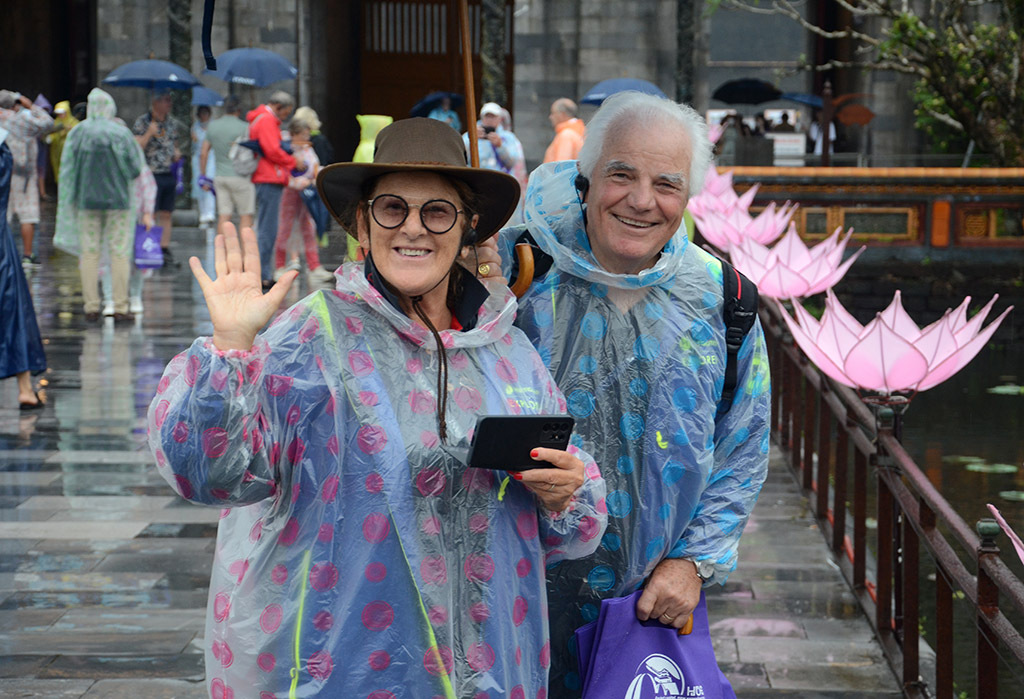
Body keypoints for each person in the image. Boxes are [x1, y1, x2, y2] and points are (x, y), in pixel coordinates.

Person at [148, 117, 606, 697]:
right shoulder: (307, 340)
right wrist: (232, 351)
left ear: (466, 227)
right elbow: (211, 475)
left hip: (492, 668)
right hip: (343, 668)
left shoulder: (507, 349)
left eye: (437, 211)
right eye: (392, 208)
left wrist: (566, 489)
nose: (413, 228)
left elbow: (572, 518)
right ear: (363, 222)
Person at [493, 92, 771, 696]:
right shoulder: (512, 273)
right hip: (512, 593)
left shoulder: (725, 301)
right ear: (587, 179)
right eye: (622, 175)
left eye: (666, 184)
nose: (642, 201)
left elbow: (743, 447)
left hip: (650, 606)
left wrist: (691, 563)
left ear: (688, 197)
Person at [55, 88, 143, 323]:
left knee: (90, 253)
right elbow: (135, 168)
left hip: (86, 201)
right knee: (119, 252)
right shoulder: (120, 133)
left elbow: (67, 170)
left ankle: (91, 305)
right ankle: (121, 306)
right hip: (119, 203)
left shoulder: (78, 133)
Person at [0, 133, 48, 409]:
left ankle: (25, 388)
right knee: (13, 310)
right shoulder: (3, 148)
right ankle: (24, 388)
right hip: (2, 245)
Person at [248, 90, 304, 290]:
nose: (284, 118)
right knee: (267, 230)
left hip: (267, 178)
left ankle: (264, 272)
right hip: (269, 178)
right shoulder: (266, 121)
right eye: (285, 113)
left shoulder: (263, 119)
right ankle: (263, 274)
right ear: (278, 107)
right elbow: (272, 150)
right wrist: (292, 161)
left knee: (267, 228)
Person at [270, 118, 333, 286]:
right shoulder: (286, 149)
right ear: (294, 134)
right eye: (303, 135)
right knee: (285, 228)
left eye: (307, 134)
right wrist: (298, 182)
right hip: (290, 192)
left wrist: (319, 174)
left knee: (308, 228)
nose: (307, 138)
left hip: (306, 194)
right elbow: (283, 171)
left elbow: (314, 166)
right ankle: (279, 265)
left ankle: (314, 266)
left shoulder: (307, 149)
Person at [0, 90, 54, 268]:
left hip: (2, 175)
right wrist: (31, 106)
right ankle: (27, 255)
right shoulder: (20, 119)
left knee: (3, 215)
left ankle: (3, 255)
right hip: (23, 175)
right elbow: (47, 123)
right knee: (27, 216)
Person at [133, 90, 184, 266]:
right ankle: (149, 245)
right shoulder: (142, 122)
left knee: (167, 212)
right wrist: (149, 133)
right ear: (156, 103)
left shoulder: (171, 123)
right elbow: (136, 147)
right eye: (166, 101)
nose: (169, 104)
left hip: (167, 172)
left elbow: (174, 144)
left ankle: (164, 247)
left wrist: (176, 153)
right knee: (150, 212)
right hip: (150, 174)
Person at [463, 102, 526, 224]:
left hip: (501, 187)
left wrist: (500, 146)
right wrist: (472, 140)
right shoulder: (469, 135)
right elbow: (461, 157)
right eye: (487, 116)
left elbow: (513, 162)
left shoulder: (508, 137)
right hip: (478, 187)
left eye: (493, 117)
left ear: (499, 119)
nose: (490, 120)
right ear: (481, 117)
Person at [201, 95, 255, 236]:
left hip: (220, 176)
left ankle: (222, 253)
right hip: (241, 177)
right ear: (239, 109)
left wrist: (203, 175)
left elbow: (203, 152)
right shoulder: (244, 127)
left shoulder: (213, 126)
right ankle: (245, 254)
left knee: (224, 217)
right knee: (245, 216)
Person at [191, 105, 216, 225]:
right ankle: (202, 213)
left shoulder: (213, 126)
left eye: (206, 113)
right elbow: (194, 143)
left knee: (209, 183)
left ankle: (210, 212)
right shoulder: (195, 127)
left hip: (210, 156)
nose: (204, 116)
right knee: (199, 184)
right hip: (197, 157)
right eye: (202, 113)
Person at [543, 98, 585, 163]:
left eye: (553, 113)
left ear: (561, 114)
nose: (550, 117)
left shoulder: (566, 135)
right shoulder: (582, 131)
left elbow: (561, 167)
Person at [47, 101, 78, 186]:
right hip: (56, 152)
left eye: (62, 113)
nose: (60, 116)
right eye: (58, 114)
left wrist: (70, 130)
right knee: (58, 171)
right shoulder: (56, 123)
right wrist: (49, 138)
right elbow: (52, 135)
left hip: (69, 152)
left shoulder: (74, 123)